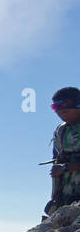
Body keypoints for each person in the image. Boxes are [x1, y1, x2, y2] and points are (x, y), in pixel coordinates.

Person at [45, 87, 80, 217]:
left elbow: (61, 166)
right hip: (66, 199)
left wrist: (66, 167)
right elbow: (57, 162)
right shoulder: (60, 131)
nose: (61, 112)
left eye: (66, 108)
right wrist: (55, 198)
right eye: (57, 108)